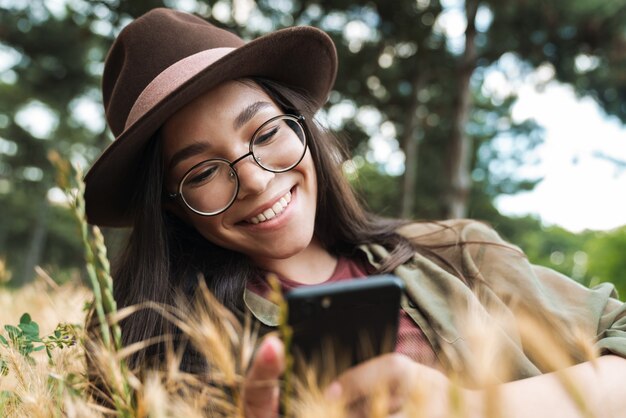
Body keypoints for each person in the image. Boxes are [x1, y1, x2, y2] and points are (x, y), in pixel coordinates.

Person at [84, 7, 626, 417]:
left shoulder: (458, 253)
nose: (253, 177)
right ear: (171, 208)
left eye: (267, 132)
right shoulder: (144, 344)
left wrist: (467, 406)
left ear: (303, 128)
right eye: (202, 172)